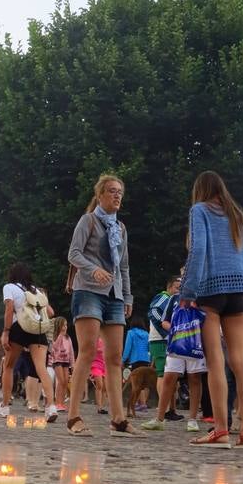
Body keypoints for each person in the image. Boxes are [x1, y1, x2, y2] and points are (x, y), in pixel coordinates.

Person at [179, 170, 243, 448]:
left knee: (215, 362)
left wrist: (187, 291)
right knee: (240, 360)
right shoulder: (240, 217)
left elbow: (197, 249)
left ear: (200, 190)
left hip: (210, 293)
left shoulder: (199, 210)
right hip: (237, 293)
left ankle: (221, 430)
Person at [66, 173, 143, 437]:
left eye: (120, 191)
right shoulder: (88, 221)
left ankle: (118, 419)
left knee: (114, 357)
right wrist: (93, 268)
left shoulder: (120, 229)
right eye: (111, 191)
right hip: (88, 291)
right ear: (100, 195)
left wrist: (128, 297)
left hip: (115, 295)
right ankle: (73, 416)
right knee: (87, 351)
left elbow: (124, 266)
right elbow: (73, 253)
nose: (117, 195)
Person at [0, 263, 57, 422]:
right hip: (38, 329)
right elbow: (51, 312)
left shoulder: (9, 287)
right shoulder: (36, 290)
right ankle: (51, 406)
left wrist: (6, 332)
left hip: (19, 327)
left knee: (8, 366)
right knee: (41, 368)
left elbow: (9, 308)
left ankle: (5, 406)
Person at [142, 292, 203, 432]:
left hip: (195, 343)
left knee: (194, 378)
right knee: (169, 377)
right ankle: (160, 418)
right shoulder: (174, 298)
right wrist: (176, 331)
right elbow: (164, 321)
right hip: (176, 343)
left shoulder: (201, 296)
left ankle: (192, 419)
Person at [148, 277, 183, 420]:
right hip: (160, 339)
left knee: (171, 374)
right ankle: (165, 409)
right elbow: (154, 312)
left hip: (167, 339)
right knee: (163, 373)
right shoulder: (164, 297)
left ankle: (170, 409)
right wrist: (165, 330)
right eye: (176, 288)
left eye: (180, 288)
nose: (178, 291)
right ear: (169, 288)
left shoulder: (175, 300)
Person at [51, 317, 74, 411]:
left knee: (65, 382)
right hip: (57, 360)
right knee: (60, 381)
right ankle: (57, 403)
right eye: (63, 325)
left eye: (66, 325)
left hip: (66, 361)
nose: (65, 327)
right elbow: (55, 347)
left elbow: (71, 351)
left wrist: (73, 364)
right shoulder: (55, 336)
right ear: (59, 326)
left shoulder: (68, 338)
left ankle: (62, 403)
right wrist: (60, 335)